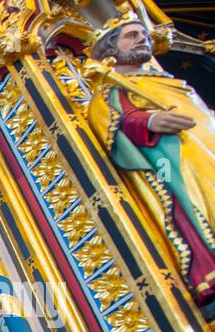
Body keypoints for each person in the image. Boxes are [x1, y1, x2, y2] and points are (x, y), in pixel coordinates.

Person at [87, 17, 215, 311]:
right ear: (110, 49)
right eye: (131, 36)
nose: (141, 39)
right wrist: (150, 120)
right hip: (174, 162)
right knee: (194, 203)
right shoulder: (113, 89)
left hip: (206, 149)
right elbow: (110, 119)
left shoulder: (168, 82)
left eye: (143, 34)